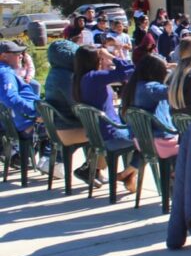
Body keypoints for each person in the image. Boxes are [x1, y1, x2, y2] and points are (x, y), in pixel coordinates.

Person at [72, 45, 139, 192]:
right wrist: (111, 56)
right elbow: (129, 71)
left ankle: (128, 173)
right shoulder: (94, 77)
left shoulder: (79, 78)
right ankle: (128, 173)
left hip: (98, 134)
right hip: (111, 134)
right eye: (100, 58)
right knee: (149, 139)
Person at [43, 39, 89, 183]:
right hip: (68, 127)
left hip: (57, 126)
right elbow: (77, 105)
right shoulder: (67, 78)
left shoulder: (55, 73)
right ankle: (91, 169)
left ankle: (90, 168)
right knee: (105, 132)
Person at [120, 53, 178, 159]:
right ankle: (173, 174)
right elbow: (175, 92)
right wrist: (179, 70)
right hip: (161, 142)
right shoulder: (152, 88)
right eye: (165, 69)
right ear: (157, 72)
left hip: (141, 141)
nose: (167, 72)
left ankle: (128, 173)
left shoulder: (132, 86)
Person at [0, 40, 41, 170]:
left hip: (13, 122)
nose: (21, 56)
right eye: (16, 53)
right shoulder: (5, 73)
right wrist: (36, 112)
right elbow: (10, 98)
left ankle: (19, 155)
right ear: (4, 56)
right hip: (23, 123)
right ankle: (51, 160)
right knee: (60, 124)